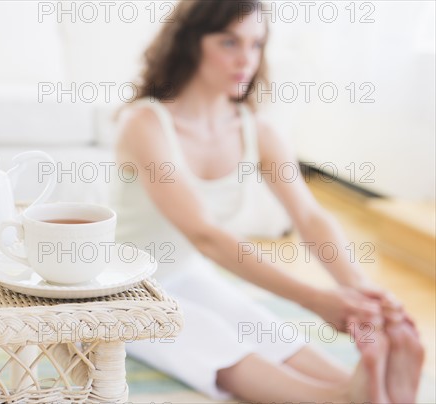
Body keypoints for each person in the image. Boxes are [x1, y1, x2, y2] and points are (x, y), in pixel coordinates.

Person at [109, 0, 425, 402]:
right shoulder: (146, 123)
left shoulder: (257, 129)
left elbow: (309, 216)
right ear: (191, 43)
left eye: (257, 44)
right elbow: (204, 234)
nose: (247, 59)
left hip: (187, 274)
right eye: (229, 42)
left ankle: (367, 388)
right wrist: (314, 299)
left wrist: (360, 291)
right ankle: (339, 398)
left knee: (260, 325)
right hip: (123, 285)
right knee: (207, 336)